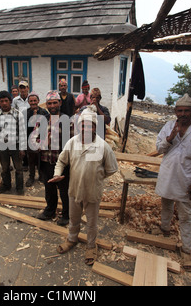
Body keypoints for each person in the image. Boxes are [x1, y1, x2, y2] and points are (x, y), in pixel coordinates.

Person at [50, 105, 118, 265]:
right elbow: (61, 160)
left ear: (95, 127)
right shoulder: (72, 143)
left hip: (92, 192)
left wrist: (97, 178)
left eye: (90, 124)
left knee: (92, 223)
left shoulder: (103, 146)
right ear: (78, 126)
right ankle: (72, 239)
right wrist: (57, 174)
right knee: (74, 219)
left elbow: (111, 169)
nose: (86, 127)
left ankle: (91, 246)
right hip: (74, 190)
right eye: (83, 124)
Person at [155, 94, 191, 268]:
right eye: (180, 110)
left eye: (187, 110)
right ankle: (165, 229)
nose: (183, 114)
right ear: (175, 111)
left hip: (187, 177)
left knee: (185, 214)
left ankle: (187, 249)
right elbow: (158, 148)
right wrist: (171, 136)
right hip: (168, 173)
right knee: (166, 204)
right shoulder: (169, 126)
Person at [29, 91, 72, 226]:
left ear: (60, 103)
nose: (52, 105)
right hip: (46, 161)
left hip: (62, 163)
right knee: (49, 189)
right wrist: (42, 143)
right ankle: (50, 211)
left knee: (65, 191)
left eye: (55, 102)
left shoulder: (67, 121)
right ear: (46, 105)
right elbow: (33, 141)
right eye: (49, 103)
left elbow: (73, 143)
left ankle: (66, 214)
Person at [0, 90, 27, 195]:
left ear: (10, 101)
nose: (4, 103)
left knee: (18, 168)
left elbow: (22, 132)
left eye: (6, 101)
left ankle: (19, 188)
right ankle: (6, 186)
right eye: (1, 101)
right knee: (5, 168)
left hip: (15, 145)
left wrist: (22, 148)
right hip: (2, 146)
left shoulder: (17, 114)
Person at [25, 92, 49, 187]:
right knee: (31, 160)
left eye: (35, 100)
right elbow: (24, 128)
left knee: (41, 159)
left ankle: (41, 176)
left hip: (41, 140)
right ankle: (31, 177)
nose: (33, 102)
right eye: (31, 101)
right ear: (28, 102)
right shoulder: (25, 113)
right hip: (30, 141)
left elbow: (47, 126)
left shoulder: (44, 112)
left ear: (38, 101)